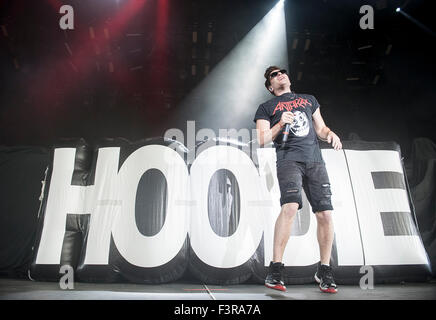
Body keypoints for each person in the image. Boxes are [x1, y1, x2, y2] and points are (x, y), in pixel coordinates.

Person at [253, 66, 342, 293]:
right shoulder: (266, 107)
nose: (280, 74)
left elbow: (320, 129)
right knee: (290, 207)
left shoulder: (308, 99)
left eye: (282, 71)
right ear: (270, 87)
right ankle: (276, 269)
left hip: (315, 161)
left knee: (325, 213)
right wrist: (280, 123)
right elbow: (262, 139)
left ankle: (324, 269)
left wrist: (330, 134)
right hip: (288, 160)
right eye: (274, 75)